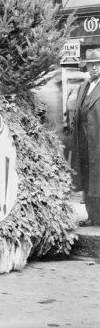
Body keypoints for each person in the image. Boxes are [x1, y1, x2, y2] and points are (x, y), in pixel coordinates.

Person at [73, 48, 100, 226]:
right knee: (87, 179)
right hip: (83, 142)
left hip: (98, 142)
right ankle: (92, 217)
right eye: (91, 64)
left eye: (98, 64)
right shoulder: (83, 87)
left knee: (98, 180)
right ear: (87, 67)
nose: (95, 68)